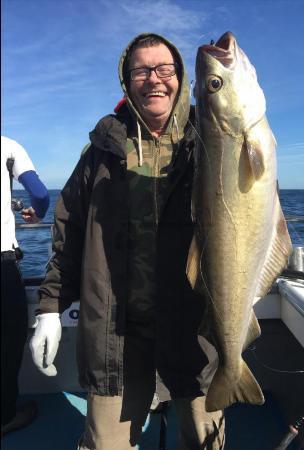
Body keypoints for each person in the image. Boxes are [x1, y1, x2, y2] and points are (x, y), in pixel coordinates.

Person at [29, 33, 225, 449]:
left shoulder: (212, 140)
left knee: (205, 438)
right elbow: (69, 235)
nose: (154, 79)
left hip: (194, 331)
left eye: (165, 69)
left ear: (181, 76)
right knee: (104, 443)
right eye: (141, 70)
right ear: (127, 80)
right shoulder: (100, 152)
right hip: (116, 337)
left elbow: (246, 213)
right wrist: (49, 307)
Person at [1, 136, 50, 436]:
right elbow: (41, 194)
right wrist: (38, 214)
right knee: (8, 340)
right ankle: (5, 415)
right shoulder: (7, 146)